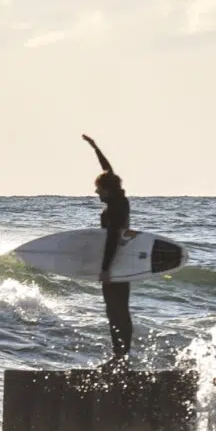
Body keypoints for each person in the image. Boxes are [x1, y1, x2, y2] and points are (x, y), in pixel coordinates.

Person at [84, 134, 132, 361]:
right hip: (124, 260)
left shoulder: (113, 210)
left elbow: (112, 238)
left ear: (108, 190)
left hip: (115, 262)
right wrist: (95, 147)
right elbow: (109, 170)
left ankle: (119, 355)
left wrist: (105, 269)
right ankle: (122, 354)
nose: (96, 192)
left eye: (99, 189)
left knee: (115, 310)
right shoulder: (121, 200)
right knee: (120, 308)